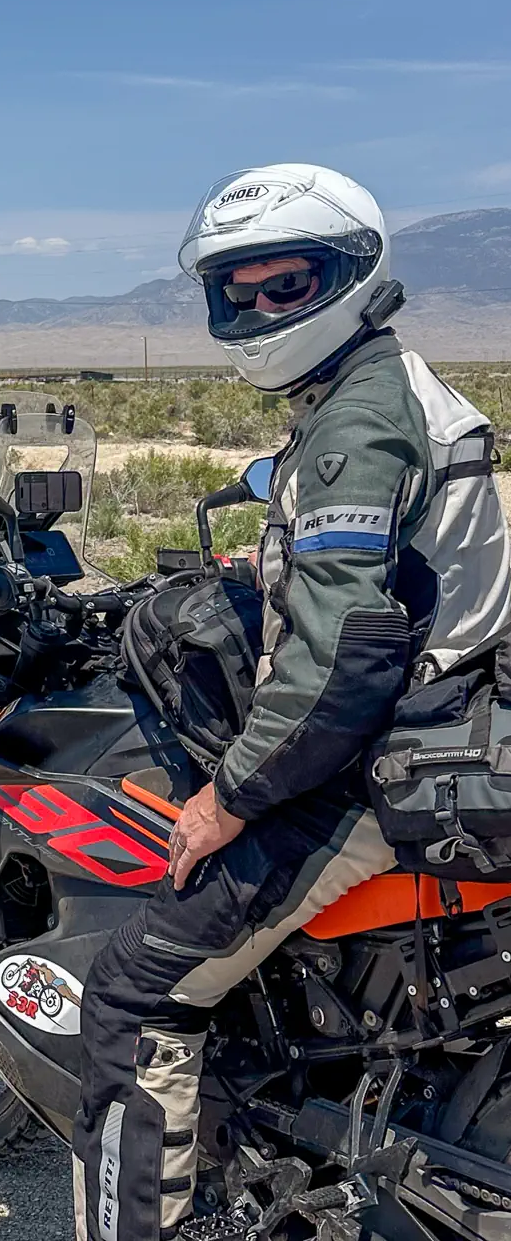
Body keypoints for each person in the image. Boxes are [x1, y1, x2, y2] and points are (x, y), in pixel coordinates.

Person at [72, 163, 511, 1241]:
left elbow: (336, 671)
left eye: (289, 283)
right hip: (450, 726)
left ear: (352, 274)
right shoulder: (381, 387)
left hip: (378, 767)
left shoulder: (360, 420)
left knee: (134, 991)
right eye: (242, 290)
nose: (263, 308)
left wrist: (227, 797)